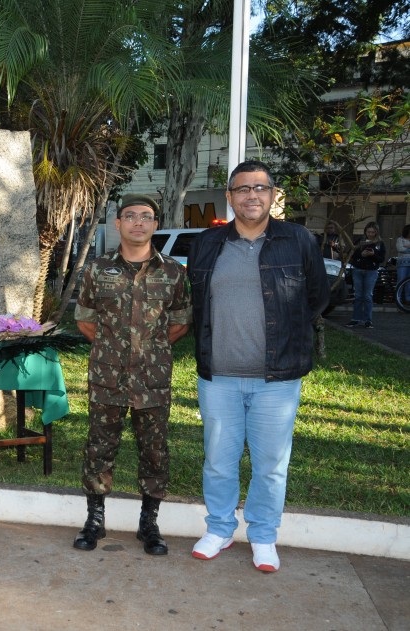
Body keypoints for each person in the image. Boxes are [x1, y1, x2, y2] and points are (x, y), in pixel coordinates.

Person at [187, 160, 329, 572]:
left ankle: (264, 536)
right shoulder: (207, 243)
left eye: (261, 188)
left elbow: (319, 298)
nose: (252, 195)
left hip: (278, 379)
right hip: (219, 377)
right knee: (218, 459)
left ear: (273, 196)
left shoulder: (298, 240)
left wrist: (290, 334)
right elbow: (196, 304)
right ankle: (218, 529)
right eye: (243, 189)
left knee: (270, 465)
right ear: (230, 197)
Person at [72, 195, 192, 555]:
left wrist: (145, 351)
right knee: (99, 446)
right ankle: (95, 518)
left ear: (156, 224)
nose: (138, 222)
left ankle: (149, 522)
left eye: (146, 217)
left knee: (154, 450)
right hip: (107, 377)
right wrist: (116, 350)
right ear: (118, 224)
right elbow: (85, 319)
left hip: (152, 378)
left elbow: (179, 323)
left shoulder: (172, 271)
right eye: (130, 216)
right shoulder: (97, 269)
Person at [345, 221, 386, 329]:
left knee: (368, 296)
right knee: (358, 295)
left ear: (376, 232)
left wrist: (373, 255)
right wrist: (361, 254)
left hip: (371, 271)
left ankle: (368, 320)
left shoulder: (379, 243)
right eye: (368, 232)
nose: (370, 234)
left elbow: (381, 259)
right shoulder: (360, 241)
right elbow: (352, 253)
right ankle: (355, 319)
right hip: (358, 270)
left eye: (373, 232)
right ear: (365, 231)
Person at [394, 224, 410, 304]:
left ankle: (408, 299)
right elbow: (400, 249)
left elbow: (404, 249)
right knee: (401, 280)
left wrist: (407, 246)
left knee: (409, 282)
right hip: (402, 264)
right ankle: (398, 298)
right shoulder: (400, 239)